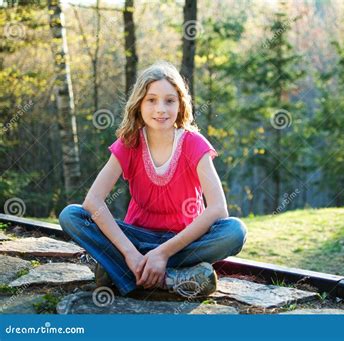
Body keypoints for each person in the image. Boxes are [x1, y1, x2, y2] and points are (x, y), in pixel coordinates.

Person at [59, 60, 247, 298]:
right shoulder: (129, 144)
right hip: (136, 239)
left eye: (170, 101)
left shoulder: (193, 144)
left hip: (184, 241)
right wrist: (130, 253)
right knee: (72, 216)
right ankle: (169, 278)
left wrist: (162, 253)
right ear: (139, 104)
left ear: (180, 105)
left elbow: (219, 210)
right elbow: (93, 202)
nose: (161, 109)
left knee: (235, 231)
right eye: (151, 100)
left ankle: (125, 273)